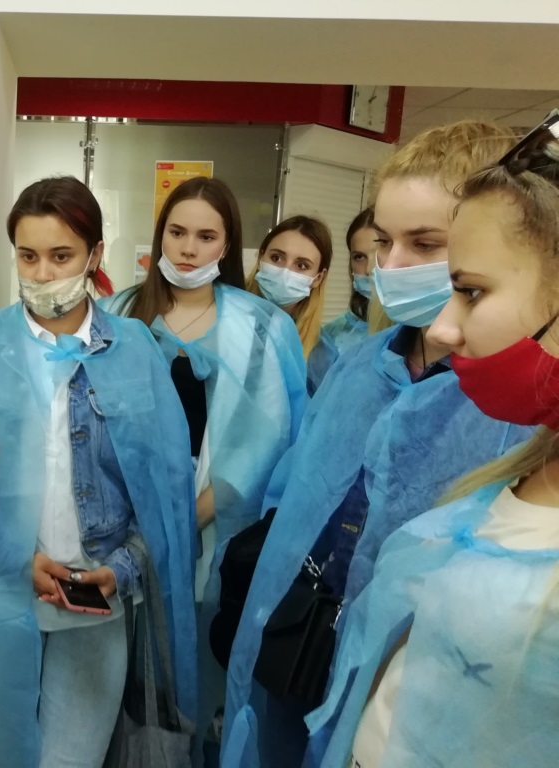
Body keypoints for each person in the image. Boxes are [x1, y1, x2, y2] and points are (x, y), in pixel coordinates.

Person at [220, 121, 535, 768]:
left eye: (426, 244)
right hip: (298, 640)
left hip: (411, 696)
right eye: (383, 243)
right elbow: (292, 504)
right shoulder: (361, 365)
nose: (390, 268)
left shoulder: (517, 409)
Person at [0, 176, 198, 768]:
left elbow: (166, 493)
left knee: (70, 760)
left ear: (95, 255)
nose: (42, 274)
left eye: (61, 256)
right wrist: (18, 556)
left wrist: (121, 570)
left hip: (93, 602)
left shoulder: (136, 351)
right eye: (28, 256)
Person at [308, 109, 559, 768]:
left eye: (468, 289)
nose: (445, 326)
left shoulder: (503, 419)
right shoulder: (520, 476)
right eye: (381, 243)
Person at [103, 176, 307, 764]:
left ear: (228, 244)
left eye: (206, 236)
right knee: (121, 680)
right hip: (120, 527)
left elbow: (268, 447)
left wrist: (184, 521)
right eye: (177, 232)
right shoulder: (118, 313)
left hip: (214, 530)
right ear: (160, 236)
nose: (189, 248)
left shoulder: (264, 329)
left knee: (198, 674)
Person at [307, 208, 378, 394]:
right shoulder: (333, 337)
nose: (369, 269)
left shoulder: (429, 335)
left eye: (380, 252)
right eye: (359, 257)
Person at [245, 215, 334, 360]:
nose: (284, 273)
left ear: (318, 278)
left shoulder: (321, 354)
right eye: (276, 258)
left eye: (301, 265)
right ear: (261, 257)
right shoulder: (224, 314)